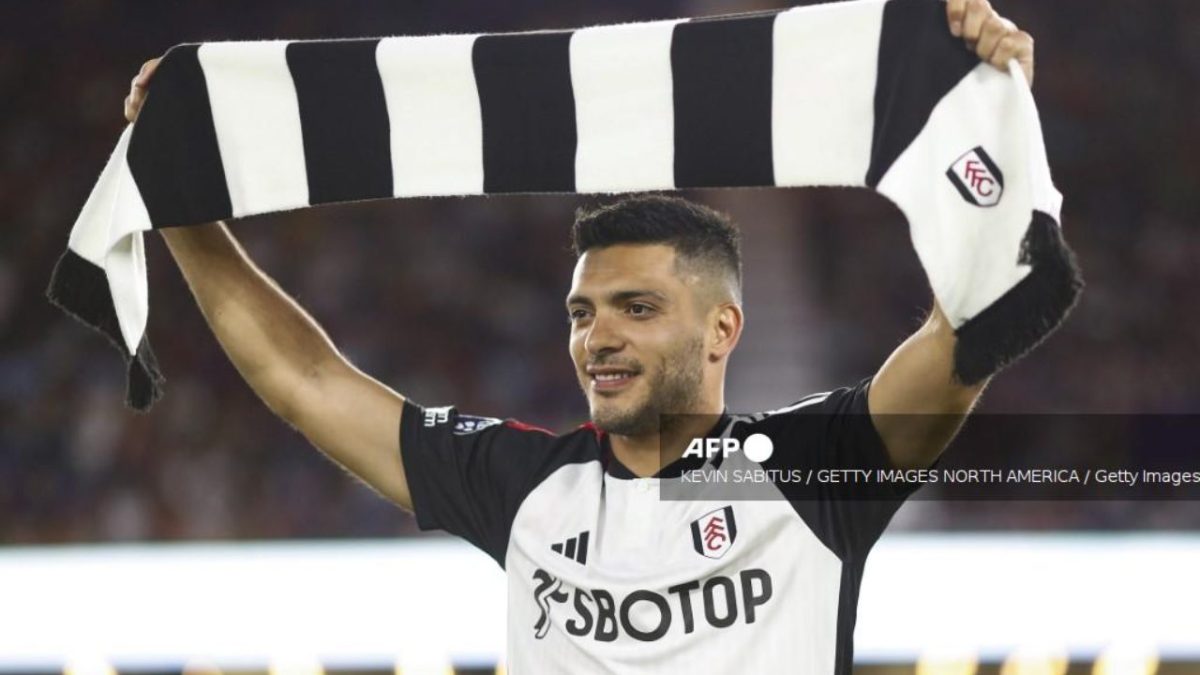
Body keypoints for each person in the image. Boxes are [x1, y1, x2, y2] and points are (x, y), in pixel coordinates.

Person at [125, 0, 1035, 671]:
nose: (597, 336)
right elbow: (303, 377)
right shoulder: (526, 484)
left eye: (637, 308)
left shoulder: (811, 465)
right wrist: (180, 208)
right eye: (582, 311)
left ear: (724, 329)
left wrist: (991, 122)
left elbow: (968, 334)